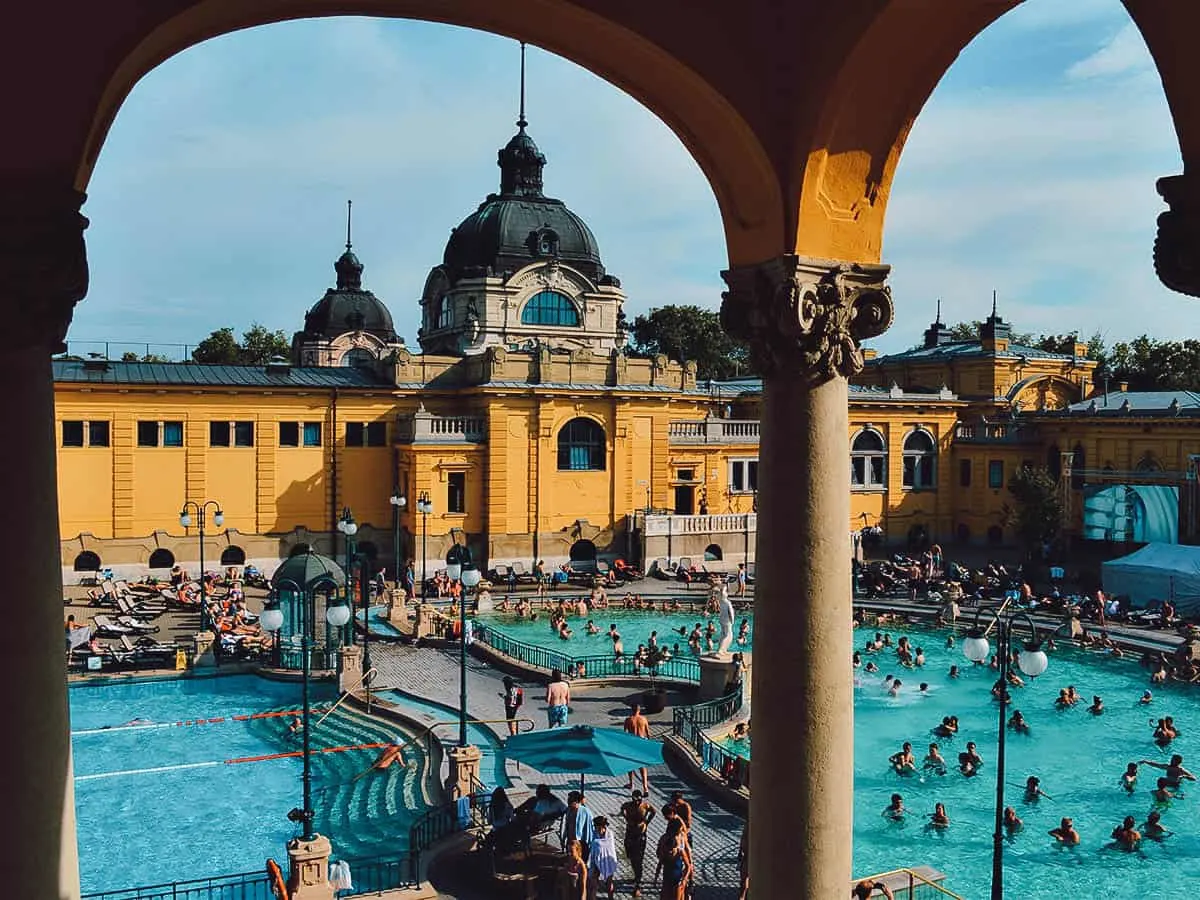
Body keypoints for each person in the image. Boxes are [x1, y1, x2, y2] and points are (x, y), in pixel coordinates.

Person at [619, 790, 655, 898]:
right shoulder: (628, 805)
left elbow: (654, 811)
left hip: (640, 835)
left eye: (638, 800)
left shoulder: (645, 806)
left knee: (638, 858)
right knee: (630, 855)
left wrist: (646, 823)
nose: (637, 802)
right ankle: (636, 876)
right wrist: (625, 817)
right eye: (635, 800)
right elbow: (622, 809)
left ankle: (638, 884)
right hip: (630, 833)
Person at [654, 817, 692, 900]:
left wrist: (684, 880)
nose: (670, 851)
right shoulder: (665, 846)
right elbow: (660, 863)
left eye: (671, 850)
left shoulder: (679, 850)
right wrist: (656, 877)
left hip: (677, 880)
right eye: (669, 850)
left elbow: (688, 866)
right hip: (667, 879)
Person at [586, 816, 619, 900]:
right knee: (593, 883)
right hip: (595, 860)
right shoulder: (594, 833)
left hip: (607, 861)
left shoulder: (609, 834)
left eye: (596, 825)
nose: (595, 827)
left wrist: (596, 843)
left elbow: (607, 847)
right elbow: (593, 846)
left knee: (609, 883)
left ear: (602, 826)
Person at [624, 703, 652, 793]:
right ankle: (645, 787)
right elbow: (648, 733)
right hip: (641, 743)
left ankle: (631, 783)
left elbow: (625, 734)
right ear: (639, 710)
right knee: (642, 766)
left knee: (630, 765)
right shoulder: (643, 719)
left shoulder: (628, 720)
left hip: (632, 744)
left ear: (632, 710)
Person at [561, 791, 595, 864]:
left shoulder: (585, 812)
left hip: (581, 842)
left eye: (570, 801)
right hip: (570, 839)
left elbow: (588, 829)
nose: (568, 803)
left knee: (580, 861)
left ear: (576, 802)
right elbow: (567, 825)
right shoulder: (569, 810)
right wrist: (564, 838)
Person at [736, 820, 750, 900]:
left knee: (744, 880)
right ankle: (742, 896)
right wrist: (740, 851)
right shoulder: (748, 825)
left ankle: (743, 896)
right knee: (743, 880)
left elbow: (743, 838)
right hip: (746, 855)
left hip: (749, 855)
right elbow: (743, 838)